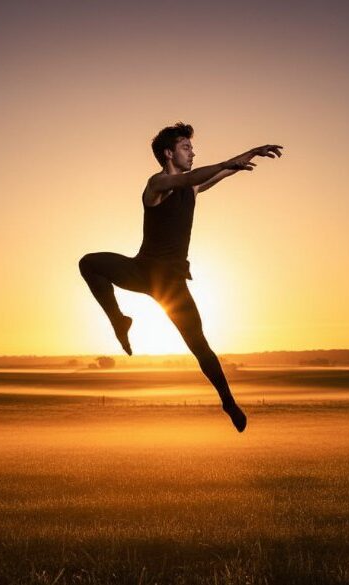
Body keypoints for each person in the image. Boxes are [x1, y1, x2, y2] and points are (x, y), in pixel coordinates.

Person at [78, 122, 282, 432]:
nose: (193, 152)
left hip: (171, 284)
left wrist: (248, 155)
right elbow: (192, 176)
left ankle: (227, 401)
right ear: (168, 153)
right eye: (186, 148)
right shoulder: (156, 184)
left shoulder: (191, 186)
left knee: (199, 344)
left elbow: (213, 175)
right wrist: (228, 162)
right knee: (88, 262)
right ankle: (119, 320)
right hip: (142, 270)